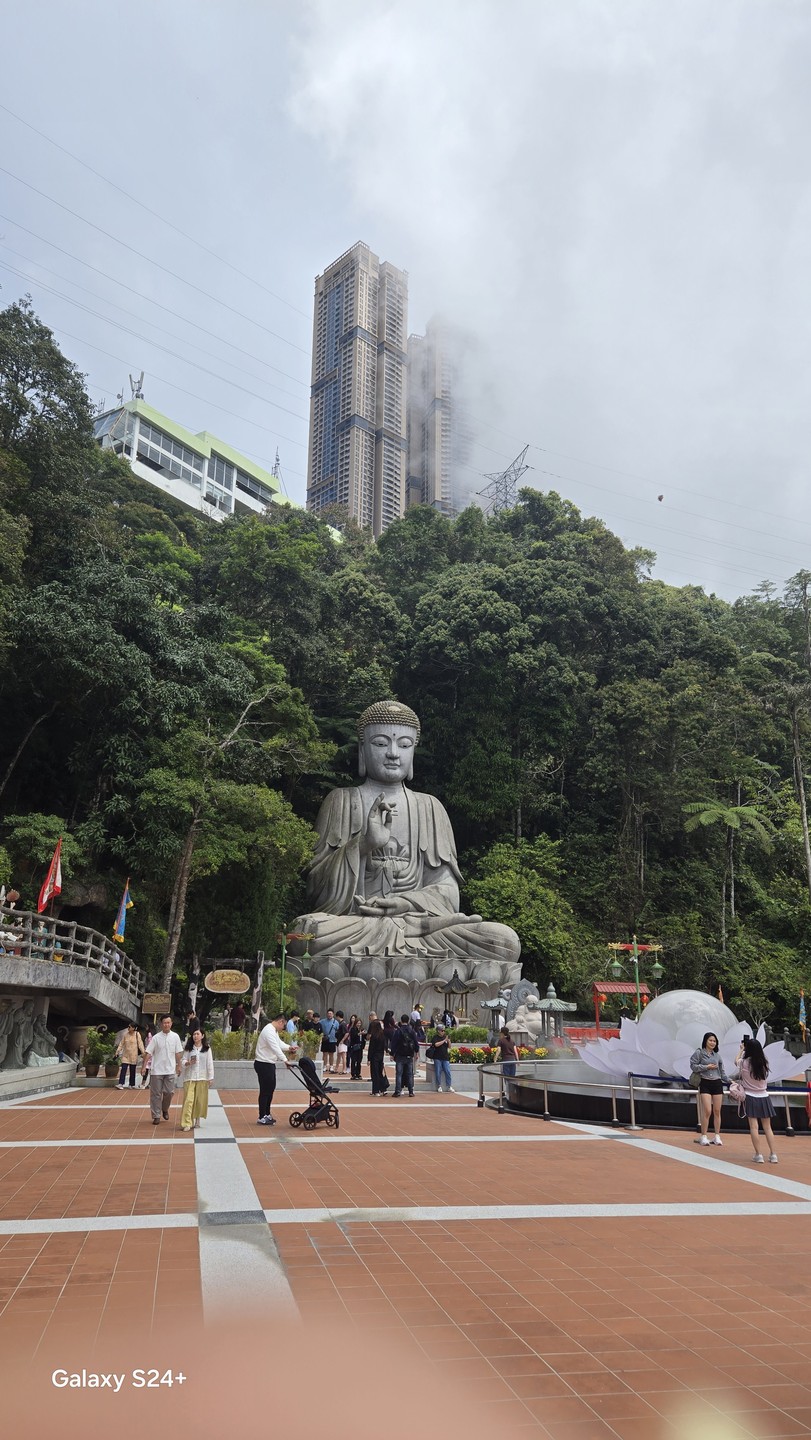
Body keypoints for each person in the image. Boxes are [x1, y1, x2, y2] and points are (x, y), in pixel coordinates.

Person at [287, 700, 520, 971]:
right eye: (381, 743)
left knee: (504, 941)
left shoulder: (431, 807)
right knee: (305, 934)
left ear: (413, 752)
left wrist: (402, 904)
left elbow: (448, 894)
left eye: (405, 745)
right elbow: (316, 890)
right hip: (357, 923)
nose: (393, 753)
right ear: (363, 749)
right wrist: (364, 844)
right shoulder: (340, 801)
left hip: (421, 927)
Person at [732, 1036, 779, 1163]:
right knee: (768, 1127)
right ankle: (773, 1154)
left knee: (754, 1127)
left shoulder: (744, 1062)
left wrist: (741, 1050)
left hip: (750, 1096)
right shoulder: (764, 1062)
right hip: (764, 1096)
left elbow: (736, 1061)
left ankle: (758, 1155)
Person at [254, 1013, 296, 1126]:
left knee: (270, 1089)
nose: (283, 1028)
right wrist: (285, 1060)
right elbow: (275, 1047)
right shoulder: (268, 1030)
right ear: (280, 1021)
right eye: (284, 1026)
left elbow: (279, 1044)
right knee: (265, 1091)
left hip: (269, 1063)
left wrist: (289, 1047)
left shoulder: (273, 1030)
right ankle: (261, 1116)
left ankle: (267, 1113)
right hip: (263, 1063)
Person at [690, 1032, 728, 1146]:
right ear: (705, 1041)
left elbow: (722, 1073)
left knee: (717, 1111)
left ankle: (717, 1136)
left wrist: (731, 1080)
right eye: (710, 1040)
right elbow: (693, 1066)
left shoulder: (717, 1056)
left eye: (714, 1041)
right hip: (705, 1082)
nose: (712, 1043)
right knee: (707, 1110)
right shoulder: (699, 1053)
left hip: (717, 1083)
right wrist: (706, 1067)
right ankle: (703, 1135)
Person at [145, 1016, 184, 1126]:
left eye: (168, 1022)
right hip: (157, 1070)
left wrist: (179, 1066)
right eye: (164, 1023)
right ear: (161, 1024)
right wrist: (144, 1067)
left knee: (169, 1092)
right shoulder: (156, 1038)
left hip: (170, 1070)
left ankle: (164, 1108)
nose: (166, 1024)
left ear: (171, 1023)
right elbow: (148, 1052)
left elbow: (178, 1053)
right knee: (155, 1094)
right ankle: (156, 1115)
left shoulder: (175, 1037)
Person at [180, 1028, 214, 1131]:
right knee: (189, 1100)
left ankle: (197, 1119)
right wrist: (187, 1063)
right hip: (189, 1078)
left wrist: (210, 1077)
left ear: (202, 1036)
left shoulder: (207, 1049)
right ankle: (187, 1123)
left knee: (199, 1101)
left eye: (198, 1034)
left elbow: (209, 1063)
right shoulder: (189, 1048)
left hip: (202, 1078)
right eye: (194, 1034)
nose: (195, 1036)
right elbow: (183, 1060)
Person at [391, 1014, 419, 1096]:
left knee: (399, 1074)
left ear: (401, 1021)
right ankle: (411, 1091)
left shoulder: (398, 1031)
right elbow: (416, 1043)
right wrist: (416, 1052)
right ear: (408, 1021)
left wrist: (392, 1054)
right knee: (409, 1074)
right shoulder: (412, 1031)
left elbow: (394, 1043)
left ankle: (398, 1091)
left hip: (400, 1055)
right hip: (409, 1055)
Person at [115, 1022, 144, 1090]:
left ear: (133, 1028)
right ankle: (121, 1084)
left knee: (132, 1070)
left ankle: (131, 1084)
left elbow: (140, 1044)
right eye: (128, 1026)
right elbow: (121, 1044)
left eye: (129, 1027)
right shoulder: (126, 1035)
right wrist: (117, 1051)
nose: (128, 1028)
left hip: (133, 1055)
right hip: (126, 1055)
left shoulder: (137, 1034)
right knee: (123, 1069)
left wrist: (143, 1052)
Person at [367, 1013, 389, 1096]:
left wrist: (369, 1058)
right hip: (380, 1056)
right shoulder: (382, 1036)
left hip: (374, 1056)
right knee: (380, 1072)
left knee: (374, 1073)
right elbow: (385, 1045)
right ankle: (383, 1089)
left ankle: (376, 1090)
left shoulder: (374, 1037)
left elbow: (371, 1048)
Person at [431, 1025, 453, 1094]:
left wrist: (448, 1041)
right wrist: (444, 1040)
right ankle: (439, 1086)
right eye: (442, 1030)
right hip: (437, 1057)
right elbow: (436, 1044)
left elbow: (449, 1047)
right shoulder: (435, 1037)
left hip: (445, 1057)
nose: (443, 1032)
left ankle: (449, 1086)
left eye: (444, 1030)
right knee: (438, 1071)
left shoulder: (445, 1037)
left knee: (447, 1071)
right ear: (438, 1031)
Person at [320, 1008, 340, 1073]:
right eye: (328, 1013)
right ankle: (324, 1066)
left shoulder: (336, 1022)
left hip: (333, 1040)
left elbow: (338, 1031)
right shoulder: (322, 1021)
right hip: (325, 1040)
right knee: (324, 1053)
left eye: (330, 1013)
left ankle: (331, 1066)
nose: (329, 1015)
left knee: (331, 1054)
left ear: (333, 1014)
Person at [335, 1011, 348, 1076]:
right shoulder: (342, 1023)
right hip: (340, 1041)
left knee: (343, 1055)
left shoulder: (343, 1024)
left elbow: (346, 1033)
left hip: (341, 1042)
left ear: (338, 1016)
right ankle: (336, 1068)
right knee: (339, 1055)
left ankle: (344, 1069)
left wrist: (342, 1040)